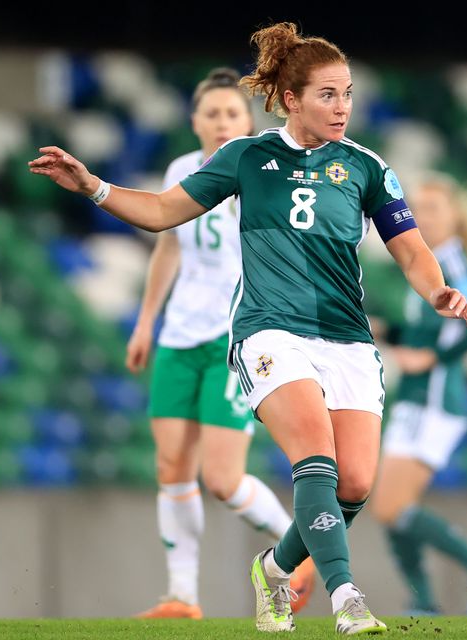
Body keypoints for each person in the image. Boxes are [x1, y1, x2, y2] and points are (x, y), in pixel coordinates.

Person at [29, 21, 467, 635]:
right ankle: (346, 597)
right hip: (269, 331)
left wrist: (437, 290)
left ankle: (273, 567)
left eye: (346, 93)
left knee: (356, 483)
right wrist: (94, 186)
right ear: (291, 99)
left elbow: (411, 249)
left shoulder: (367, 166)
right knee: (314, 455)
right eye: (327, 94)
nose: (342, 106)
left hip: (345, 337)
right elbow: (163, 213)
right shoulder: (246, 156)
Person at [125, 67, 314, 619]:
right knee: (171, 467)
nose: (222, 122)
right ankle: (182, 596)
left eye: (232, 113)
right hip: (180, 336)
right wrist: (145, 321)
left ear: (247, 119)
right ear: (196, 122)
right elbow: (170, 247)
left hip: (237, 337)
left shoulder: (266, 168)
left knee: (223, 478)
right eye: (212, 114)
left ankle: (297, 553)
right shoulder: (183, 170)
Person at [370, 173, 467, 616]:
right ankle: (424, 602)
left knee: (390, 506)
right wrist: (387, 331)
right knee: (392, 508)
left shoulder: (455, 262)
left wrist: (432, 359)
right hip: (416, 397)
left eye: (432, 208)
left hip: (433, 399)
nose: (422, 216)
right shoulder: (428, 261)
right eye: (417, 208)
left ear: (453, 216)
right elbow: (423, 330)